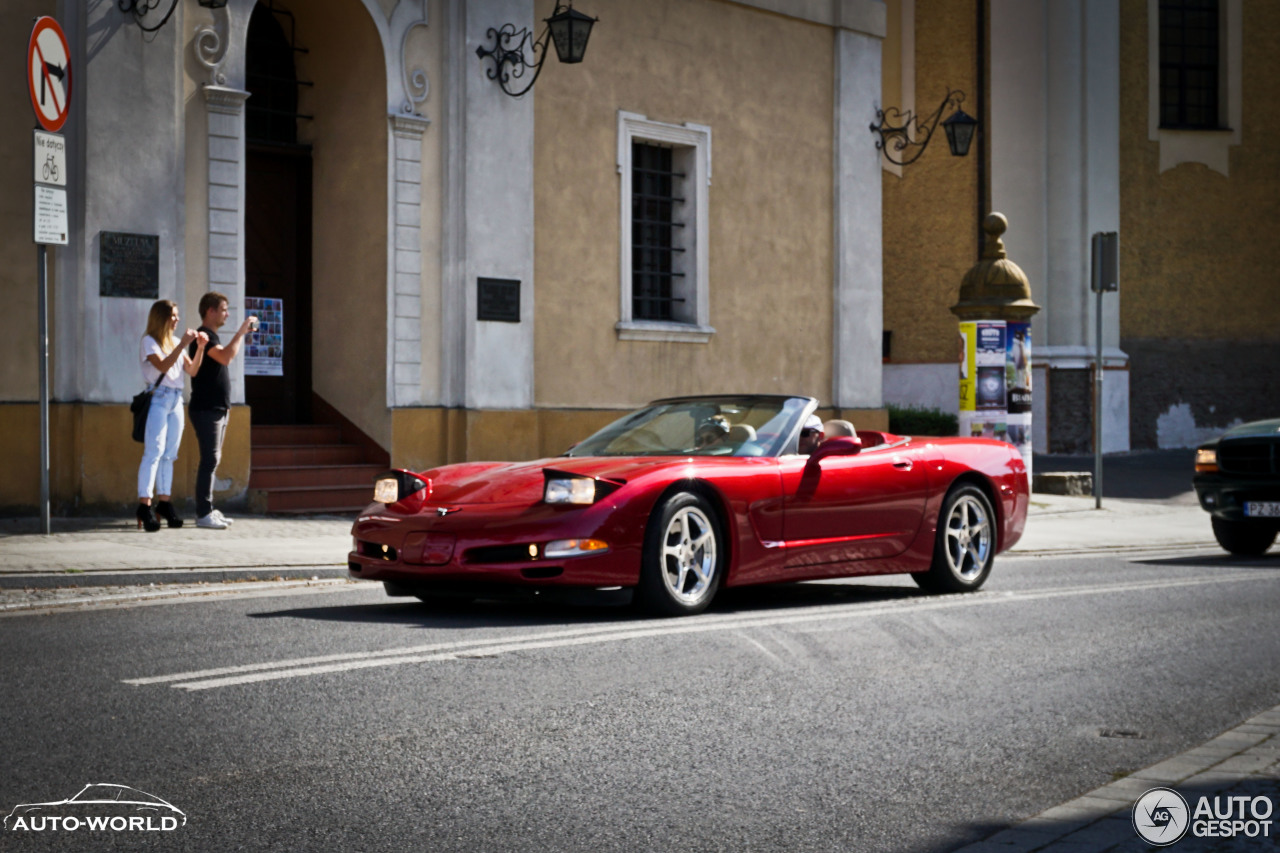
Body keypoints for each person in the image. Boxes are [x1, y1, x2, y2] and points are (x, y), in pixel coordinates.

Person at [136, 300, 207, 532]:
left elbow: (193, 371)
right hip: (157, 398)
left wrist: (200, 348)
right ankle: (145, 506)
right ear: (161, 318)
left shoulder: (176, 341)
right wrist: (182, 345)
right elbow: (164, 366)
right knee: (153, 453)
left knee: (170, 454)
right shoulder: (149, 342)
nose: (176, 320)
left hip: (176, 399)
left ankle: (164, 503)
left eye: (177, 315)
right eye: (172, 316)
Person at [188, 292, 256, 530]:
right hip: (206, 409)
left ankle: (207, 509)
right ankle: (203, 513)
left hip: (217, 408)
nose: (227, 313)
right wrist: (241, 332)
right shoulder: (204, 336)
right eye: (224, 309)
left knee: (213, 460)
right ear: (211, 311)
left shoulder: (212, 335)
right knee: (209, 460)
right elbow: (226, 357)